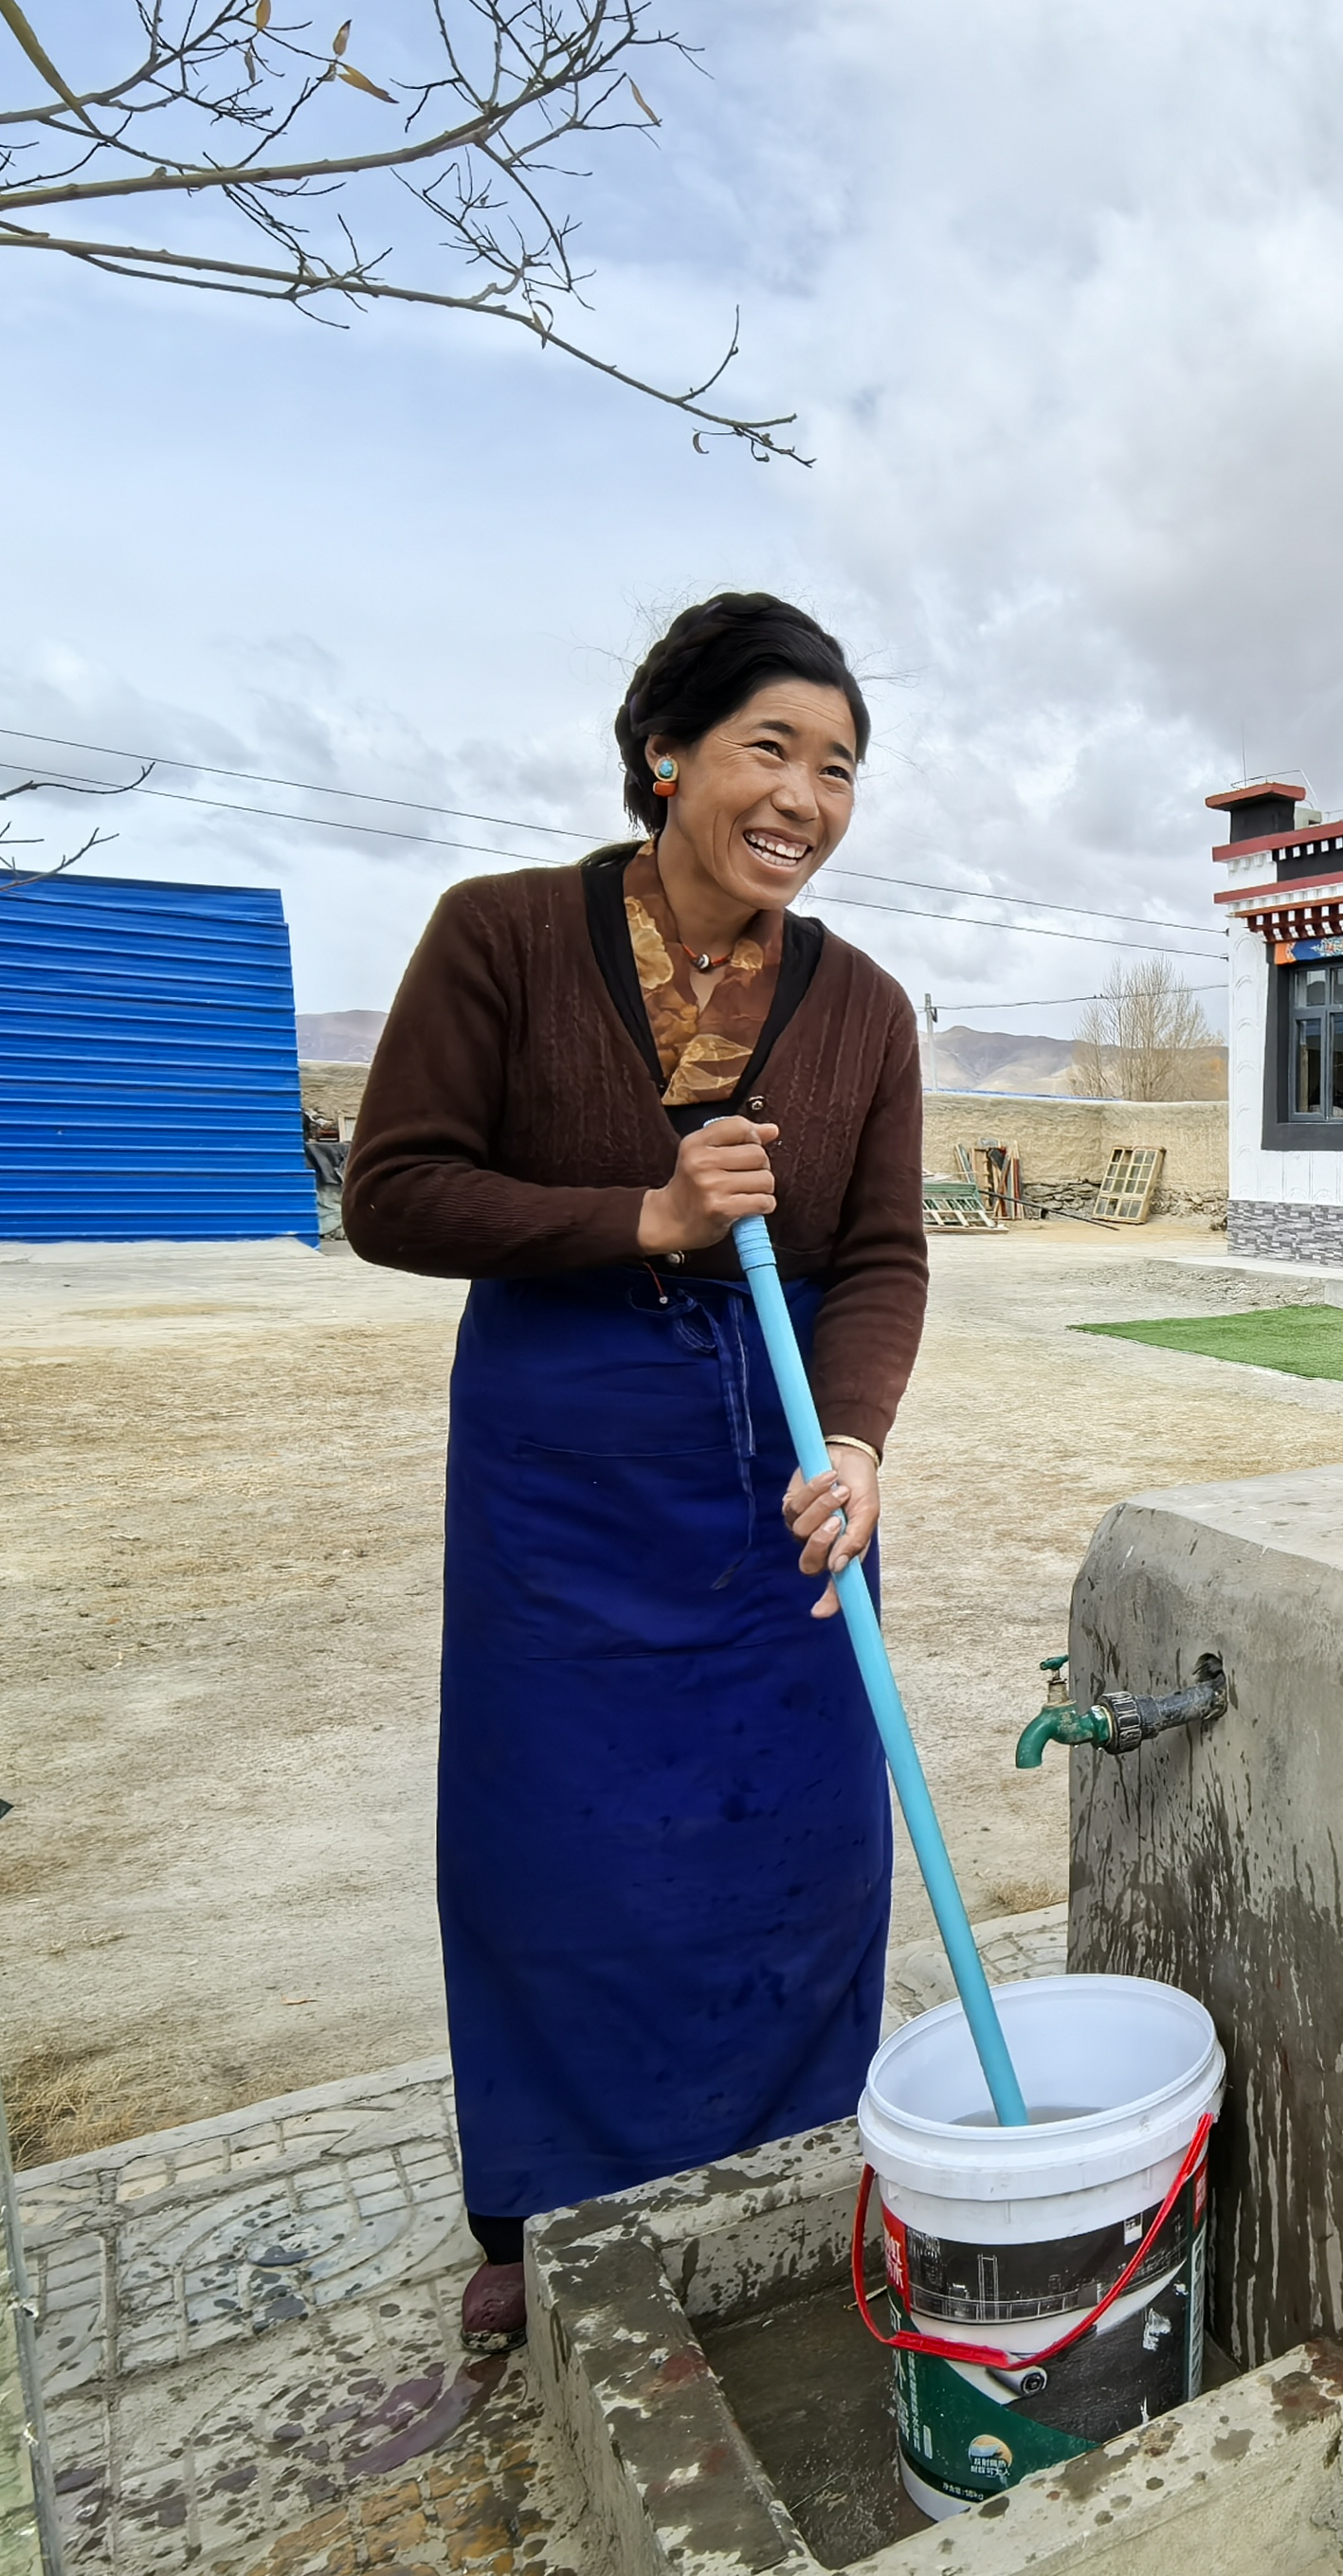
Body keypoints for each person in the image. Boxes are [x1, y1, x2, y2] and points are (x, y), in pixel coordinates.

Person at [344, 592, 929, 2350]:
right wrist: (645, 1218)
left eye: (840, 769)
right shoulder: (503, 937)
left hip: (783, 1468)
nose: (806, 798)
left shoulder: (866, 1007)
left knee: (808, 1835)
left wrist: (855, 1439)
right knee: (561, 1841)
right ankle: (553, 2207)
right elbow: (395, 1191)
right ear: (666, 753)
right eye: (772, 748)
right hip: (564, 1471)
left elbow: (882, 1256)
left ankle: (793, 2162)